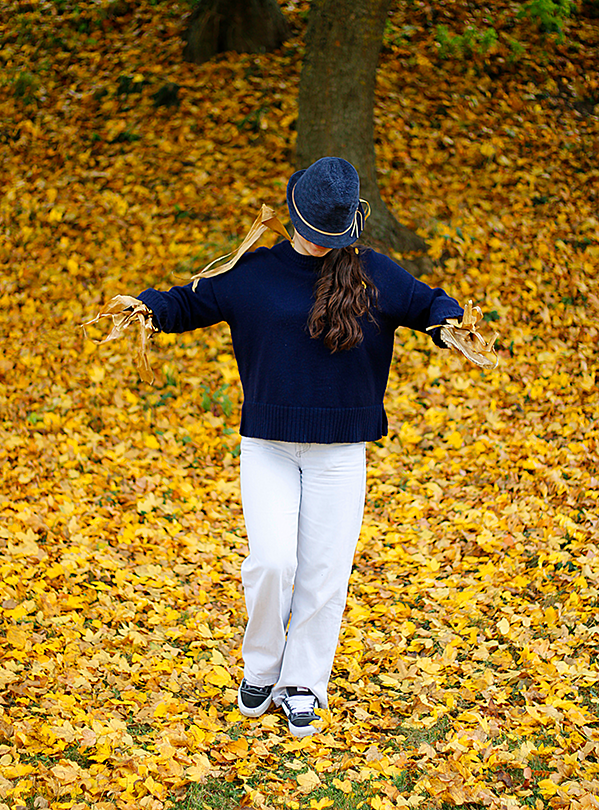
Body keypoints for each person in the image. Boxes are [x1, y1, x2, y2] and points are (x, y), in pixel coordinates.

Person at [133, 157, 464, 737]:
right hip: (269, 448)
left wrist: (451, 322)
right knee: (272, 562)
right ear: (292, 214)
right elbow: (186, 303)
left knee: (324, 573)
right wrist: (148, 308)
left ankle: (303, 683)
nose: (317, 244)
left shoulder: (372, 275)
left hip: (340, 452)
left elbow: (428, 302)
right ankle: (261, 666)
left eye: (328, 235)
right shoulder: (253, 273)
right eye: (312, 232)